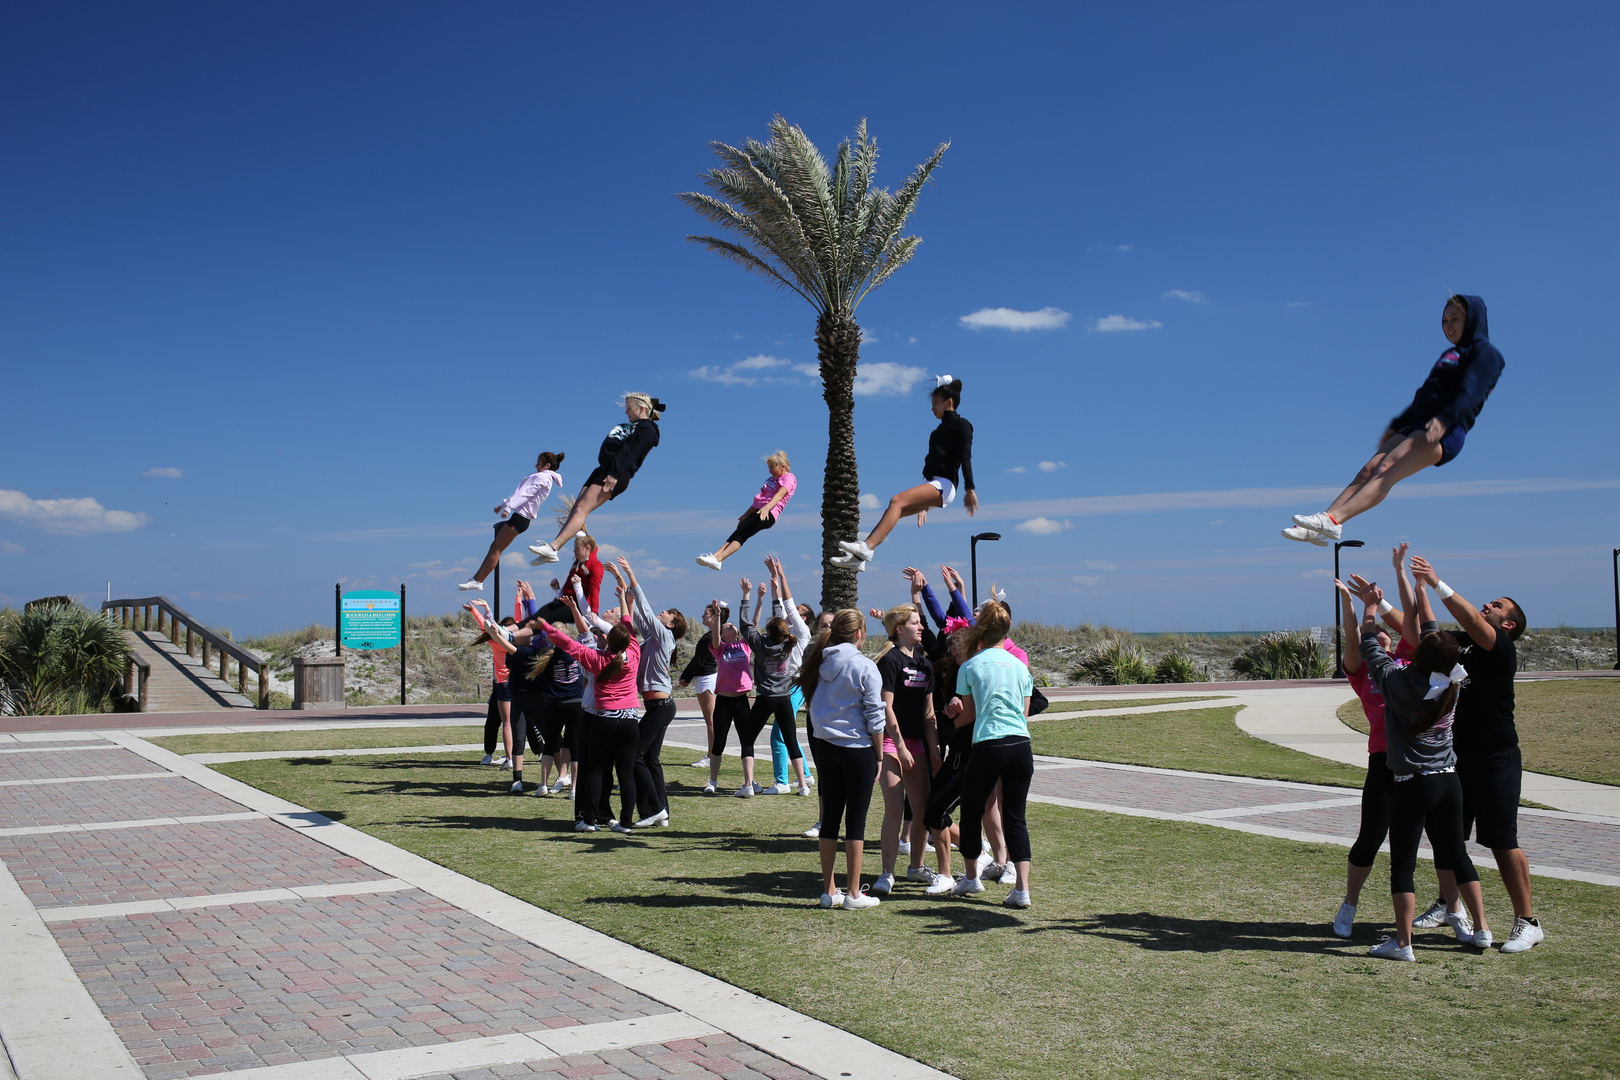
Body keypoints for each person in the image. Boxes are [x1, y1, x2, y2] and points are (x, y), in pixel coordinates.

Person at [1287, 296, 1504, 544]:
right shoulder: (1450, 354)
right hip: (1419, 423)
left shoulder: (1487, 354)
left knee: (1387, 468)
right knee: (1367, 470)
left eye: (1456, 318)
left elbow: (1472, 393)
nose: (1448, 325)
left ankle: (1334, 521)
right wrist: (1396, 424)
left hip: (1447, 428)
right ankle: (1320, 525)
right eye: (1444, 320)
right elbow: (1426, 395)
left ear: (1473, 320)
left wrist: (1444, 420)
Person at [1408, 554, 1542, 953]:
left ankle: (1527, 921)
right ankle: (1449, 905)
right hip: (1457, 755)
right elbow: (1419, 631)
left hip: (1497, 757)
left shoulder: (1499, 648)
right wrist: (1379, 602)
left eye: (1497, 606)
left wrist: (1436, 582)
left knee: (1502, 840)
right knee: (1448, 837)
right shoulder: (1463, 644)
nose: (1489, 606)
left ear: (1508, 625)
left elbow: (1469, 619)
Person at [1332, 546, 1467, 939]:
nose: (1384, 638)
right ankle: (1349, 904)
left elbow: (1414, 619)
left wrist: (1399, 573)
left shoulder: (1409, 666)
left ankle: (1455, 911)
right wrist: (1350, 605)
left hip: (1425, 769)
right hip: (1385, 763)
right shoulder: (1367, 675)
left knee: (1444, 841)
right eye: (1377, 637)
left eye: (1387, 636)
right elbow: (1355, 641)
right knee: (1371, 837)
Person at [1356, 578, 1491, 960]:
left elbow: (1369, 644)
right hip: (1450, 780)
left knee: (1403, 864)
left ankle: (1403, 943)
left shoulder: (1397, 681)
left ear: (1417, 655)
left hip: (1412, 783)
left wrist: (1370, 605)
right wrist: (1421, 589)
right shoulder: (1452, 677)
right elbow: (1432, 632)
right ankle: (1481, 929)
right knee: (1457, 854)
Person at [832, 376, 976, 571]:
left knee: (896, 501)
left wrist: (969, 488)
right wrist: (924, 505)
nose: (932, 408)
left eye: (935, 403)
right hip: (933, 485)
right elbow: (930, 467)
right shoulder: (936, 432)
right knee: (895, 510)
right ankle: (860, 558)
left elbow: (965, 457)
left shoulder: (962, 425)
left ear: (949, 402)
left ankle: (865, 548)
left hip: (945, 485)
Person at [948, 601, 1035, 908]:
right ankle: (1022, 889)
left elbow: (967, 716)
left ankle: (971, 878)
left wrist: (950, 715)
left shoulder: (970, 666)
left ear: (981, 630)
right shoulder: (1021, 667)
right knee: (1016, 817)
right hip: (1020, 746)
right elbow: (1023, 714)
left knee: (971, 812)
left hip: (989, 744)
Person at [799, 609, 887, 909]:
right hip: (857, 748)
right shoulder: (864, 666)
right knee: (856, 823)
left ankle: (829, 890)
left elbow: (811, 703)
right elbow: (876, 716)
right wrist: (878, 755)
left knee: (830, 820)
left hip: (825, 747)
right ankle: (852, 893)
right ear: (859, 633)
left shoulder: (817, 661)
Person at [536, 591, 642, 835]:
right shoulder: (634, 653)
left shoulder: (597, 658)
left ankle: (590, 820)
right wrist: (626, 601)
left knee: (595, 770)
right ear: (628, 641)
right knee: (626, 774)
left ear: (609, 640)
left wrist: (545, 625)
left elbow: (569, 644)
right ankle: (626, 823)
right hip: (630, 721)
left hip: (604, 720)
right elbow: (628, 623)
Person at [529, 394, 663, 564]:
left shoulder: (647, 430)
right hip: (604, 470)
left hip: (616, 473)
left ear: (642, 409)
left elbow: (631, 452)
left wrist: (614, 473)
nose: (626, 413)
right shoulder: (633, 426)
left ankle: (553, 548)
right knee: (576, 509)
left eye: (629, 409)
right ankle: (552, 550)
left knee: (581, 510)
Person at [868, 604, 939, 895]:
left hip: (917, 744)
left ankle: (916, 868)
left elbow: (929, 712)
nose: (920, 627)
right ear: (899, 629)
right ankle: (887, 873)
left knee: (921, 811)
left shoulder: (925, 664)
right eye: (915, 623)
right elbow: (886, 707)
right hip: (891, 743)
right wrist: (899, 746)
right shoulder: (890, 661)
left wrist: (934, 751)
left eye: (920, 622)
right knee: (895, 808)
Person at [617, 555, 686, 829]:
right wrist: (623, 587)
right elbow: (636, 619)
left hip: (662, 706)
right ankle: (663, 812)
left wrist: (632, 575)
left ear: (671, 624)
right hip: (658, 706)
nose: (663, 612)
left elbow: (645, 609)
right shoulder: (654, 638)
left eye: (668, 613)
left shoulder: (666, 636)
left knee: (635, 755)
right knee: (650, 758)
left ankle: (653, 809)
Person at [740, 569, 811, 798]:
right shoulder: (789, 643)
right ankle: (803, 785)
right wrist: (774, 594)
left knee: (748, 739)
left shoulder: (760, 644)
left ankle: (749, 785)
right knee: (791, 740)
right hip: (784, 697)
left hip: (765, 698)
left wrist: (746, 596)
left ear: (768, 631)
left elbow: (745, 624)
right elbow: (779, 620)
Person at [460, 452, 565, 591]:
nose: (535, 465)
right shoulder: (543, 477)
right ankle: (476, 579)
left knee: (496, 549)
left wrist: (508, 508)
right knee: (494, 547)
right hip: (520, 517)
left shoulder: (542, 478)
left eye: (539, 463)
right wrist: (504, 505)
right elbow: (519, 493)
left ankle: (478, 581)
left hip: (521, 518)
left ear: (547, 465)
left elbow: (525, 495)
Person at [761, 556, 814, 795]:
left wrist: (782, 577)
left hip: (793, 687)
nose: (793, 614)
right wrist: (774, 590)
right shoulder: (786, 634)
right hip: (786, 687)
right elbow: (780, 612)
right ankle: (806, 776)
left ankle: (782, 782)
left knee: (778, 736)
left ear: (803, 619)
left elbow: (787, 607)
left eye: (799, 612)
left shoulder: (802, 632)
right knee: (788, 733)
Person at [696, 451, 796, 570]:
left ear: (783, 467)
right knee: (737, 532)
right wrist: (745, 514)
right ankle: (715, 556)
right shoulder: (770, 480)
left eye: (772, 468)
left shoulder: (789, 477)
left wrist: (766, 508)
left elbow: (779, 495)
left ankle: (719, 559)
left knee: (742, 535)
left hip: (768, 513)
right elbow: (758, 501)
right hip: (759, 510)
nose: (770, 471)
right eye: (769, 468)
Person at [703, 590, 758, 797]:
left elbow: (753, 622)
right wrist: (717, 615)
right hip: (724, 702)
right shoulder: (720, 648)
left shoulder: (745, 645)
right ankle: (713, 781)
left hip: (742, 702)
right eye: (727, 626)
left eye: (732, 625)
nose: (731, 625)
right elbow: (715, 635)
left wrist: (753, 596)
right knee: (719, 743)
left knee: (747, 741)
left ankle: (749, 784)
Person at [677, 600, 727, 769]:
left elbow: (699, 660)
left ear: (714, 617)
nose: (702, 616)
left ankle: (711, 755)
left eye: (706, 613)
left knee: (711, 721)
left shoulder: (711, 637)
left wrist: (685, 677)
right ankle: (711, 754)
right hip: (705, 678)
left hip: (708, 679)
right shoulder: (711, 636)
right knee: (710, 721)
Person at [533, 534, 604, 624]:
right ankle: (514, 631)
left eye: (577, 548)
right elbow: (568, 588)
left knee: (545, 619)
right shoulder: (576, 564)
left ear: (587, 548)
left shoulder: (595, 565)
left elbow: (594, 588)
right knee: (540, 615)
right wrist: (557, 590)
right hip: (567, 602)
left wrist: (594, 610)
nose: (574, 551)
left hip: (579, 607)